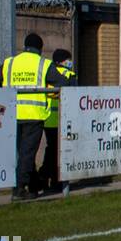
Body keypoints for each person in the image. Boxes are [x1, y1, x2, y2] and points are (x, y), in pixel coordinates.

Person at [0, 33, 74, 200]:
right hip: (33, 115)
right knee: (28, 153)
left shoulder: (10, 62)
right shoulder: (43, 64)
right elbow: (62, 83)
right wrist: (47, 91)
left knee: (21, 153)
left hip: (12, 114)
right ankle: (20, 188)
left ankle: (34, 184)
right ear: (40, 48)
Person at [40, 48, 77, 195]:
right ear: (62, 61)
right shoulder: (68, 74)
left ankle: (45, 177)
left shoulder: (47, 73)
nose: (70, 62)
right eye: (68, 59)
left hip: (47, 117)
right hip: (62, 119)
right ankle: (53, 179)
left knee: (51, 150)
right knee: (57, 152)